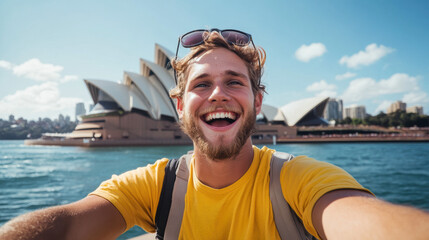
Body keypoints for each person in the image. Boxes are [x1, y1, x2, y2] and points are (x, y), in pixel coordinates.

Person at [1, 29, 428, 240]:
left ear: (258, 102)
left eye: (235, 82)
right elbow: (68, 226)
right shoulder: (154, 185)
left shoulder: (298, 181)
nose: (218, 94)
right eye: (201, 84)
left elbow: (364, 222)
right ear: (177, 104)